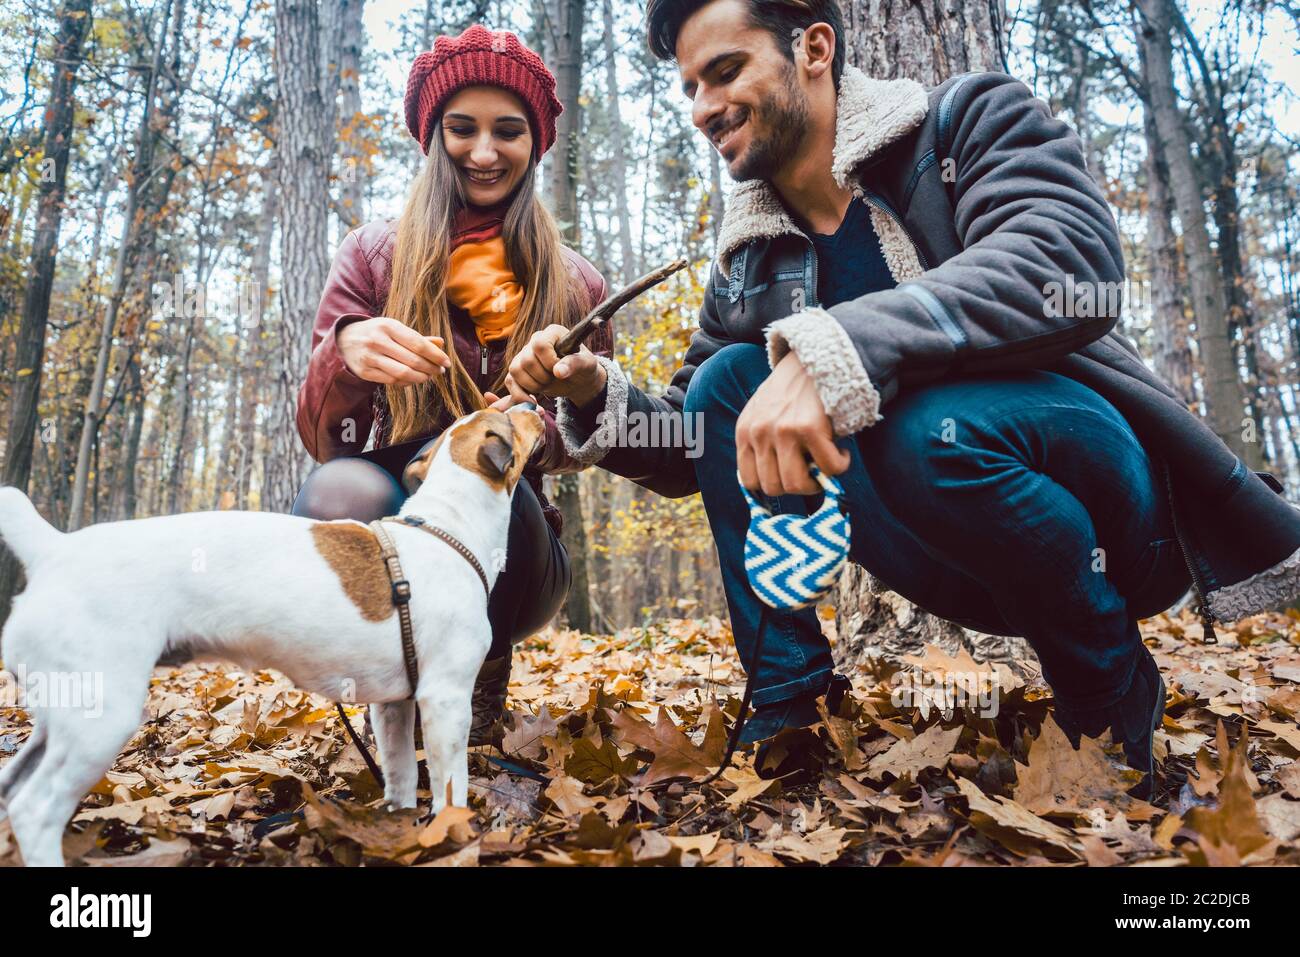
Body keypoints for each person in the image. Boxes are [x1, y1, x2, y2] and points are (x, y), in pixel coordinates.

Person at [499, 0, 1300, 798]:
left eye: (726, 70)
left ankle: (1110, 697)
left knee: (930, 426)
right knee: (723, 383)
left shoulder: (964, 124)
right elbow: (698, 440)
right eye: (690, 89)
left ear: (814, 48)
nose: (705, 106)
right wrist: (597, 394)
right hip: (951, 557)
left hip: (1114, 518)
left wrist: (834, 346)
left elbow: (1071, 269)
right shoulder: (749, 259)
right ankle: (789, 709)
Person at [294, 24, 609, 746]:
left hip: (515, 537)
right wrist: (345, 354)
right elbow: (322, 440)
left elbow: (596, 437)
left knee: (489, 490)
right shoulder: (373, 255)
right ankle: (387, 693)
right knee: (339, 494)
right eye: (462, 129)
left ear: (536, 143)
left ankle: (479, 682)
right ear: (434, 136)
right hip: (395, 506)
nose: (485, 151)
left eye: (509, 131)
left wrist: (531, 428)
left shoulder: (576, 283)